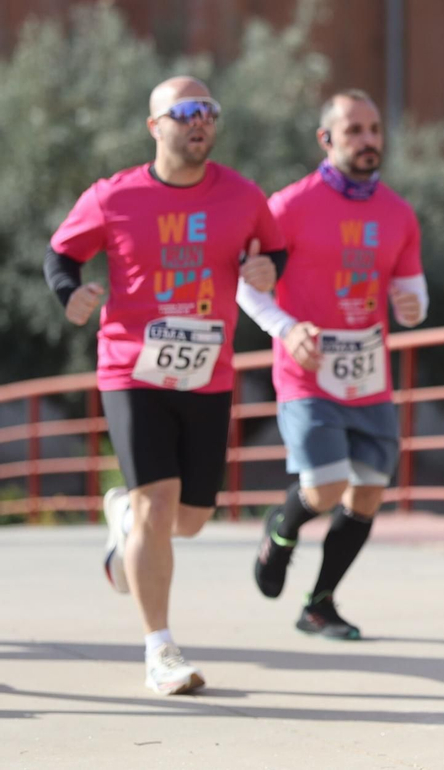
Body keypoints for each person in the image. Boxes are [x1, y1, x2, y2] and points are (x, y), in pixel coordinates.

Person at [45, 76, 285, 695]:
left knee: (191, 518)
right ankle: (160, 650)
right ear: (155, 126)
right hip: (133, 365)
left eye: (208, 110)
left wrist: (267, 268)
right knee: (158, 502)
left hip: (207, 371)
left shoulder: (242, 195)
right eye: (184, 111)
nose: (199, 120)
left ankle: (122, 515)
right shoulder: (113, 196)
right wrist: (71, 296)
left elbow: (273, 249)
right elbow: (61, 255)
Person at [237, 90, 426, 641]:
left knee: (367, 491)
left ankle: (319, 604)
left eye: (373, 129)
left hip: (369, 376)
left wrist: (414, 306)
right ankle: (281, 528)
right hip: (307, 370)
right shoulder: (288, 206)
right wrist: (286, 329)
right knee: (323, 487)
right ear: (326, 139)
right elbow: (247, 288)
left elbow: (411, 291)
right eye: (354, 131)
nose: (368, 140)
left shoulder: (398, 212)